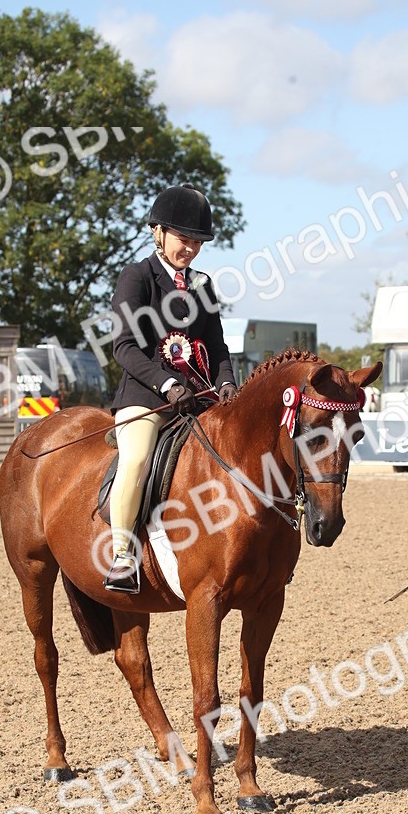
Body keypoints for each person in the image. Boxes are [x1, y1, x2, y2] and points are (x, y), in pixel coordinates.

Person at [106, 183, 238, 593]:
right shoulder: (137, 277)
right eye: (185, 240)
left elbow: (217, 345)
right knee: (137, 459)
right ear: (158, 232)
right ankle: (123, 555)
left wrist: (228, 382)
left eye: (198, 242)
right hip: (146, 399)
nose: (192, 249)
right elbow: (124, 346)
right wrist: (164, 382)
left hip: (198, 399)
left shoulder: (202, 284)